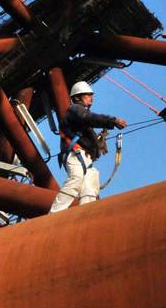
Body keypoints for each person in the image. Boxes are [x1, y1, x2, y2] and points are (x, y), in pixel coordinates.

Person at [50, 81, 127, 213]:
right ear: (77, 98)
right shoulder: (75, 110)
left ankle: (85, 214)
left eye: (91, 95)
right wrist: (112, 121)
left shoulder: (80, 118)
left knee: (91, 184)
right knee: (76, 178)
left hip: (85, 157)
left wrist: (97, 143)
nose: (91, 97)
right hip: (75, 154)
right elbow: (88, 118)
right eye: (87, 95)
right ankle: (54, 214)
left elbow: (87, 123)